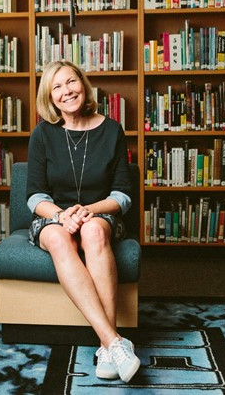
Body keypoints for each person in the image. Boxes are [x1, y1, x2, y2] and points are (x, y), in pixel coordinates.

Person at [26, 60, 140, 383]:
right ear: (49, 98)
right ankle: (114, 342)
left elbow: (122, 195)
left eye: (71, 82)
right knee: (61, 238)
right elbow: (34, 196)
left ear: (83, 84)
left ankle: (107, 347)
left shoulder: (112, 129)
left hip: (98, 213)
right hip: (52, 217)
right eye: (56, 87)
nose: (66, 91)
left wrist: (86, 210)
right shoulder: (42, 135)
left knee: (92, 231)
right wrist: (62, 215)